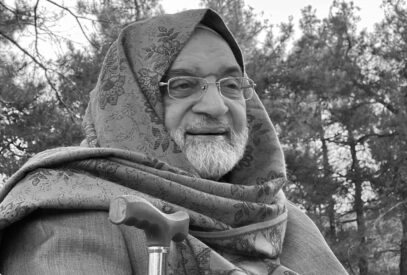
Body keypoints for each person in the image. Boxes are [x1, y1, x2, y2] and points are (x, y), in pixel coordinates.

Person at [0, 8, 348, 275]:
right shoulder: (71, 218)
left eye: (231, 85)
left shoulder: (282, 219)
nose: (216, 107)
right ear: (131, 103)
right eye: (181, 85)